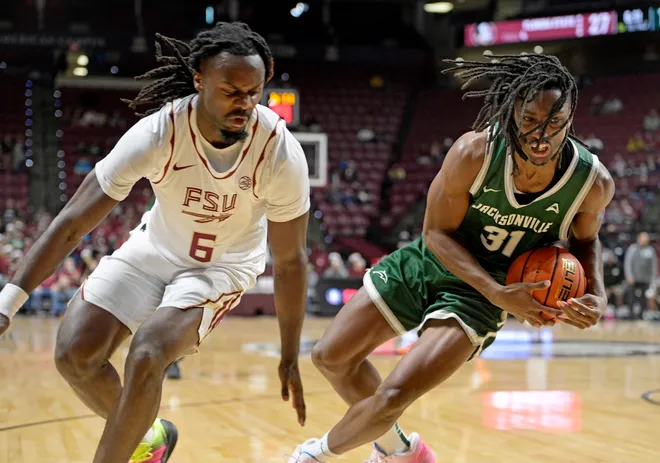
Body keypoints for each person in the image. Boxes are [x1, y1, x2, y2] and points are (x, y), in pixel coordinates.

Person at [0, 22, 310, 463]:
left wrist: (290, 353)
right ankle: (152, 438)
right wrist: (8, 301)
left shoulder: (278, 151)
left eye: (253, 92)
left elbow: (291, 261)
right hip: (154, 250)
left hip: (222, 267)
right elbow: (72, 222)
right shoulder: (159, 133)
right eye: (230, 91)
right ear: (199, 78)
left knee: (147, 352)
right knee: (74, 355)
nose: (244, 103)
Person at [289, 53, 614, 462]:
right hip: (432, 262)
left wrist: (597, 294)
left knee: (393, 395)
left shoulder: (591, 182)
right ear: (512, 112)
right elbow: (435, 233)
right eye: (530, 120)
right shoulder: (474, 154)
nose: (541, 135)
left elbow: (587, 241)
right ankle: (401, 452)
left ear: (571, 117)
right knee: (330, 357)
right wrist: (497, 291)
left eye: (555, 122)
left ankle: (311, 456)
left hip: (482, 296)